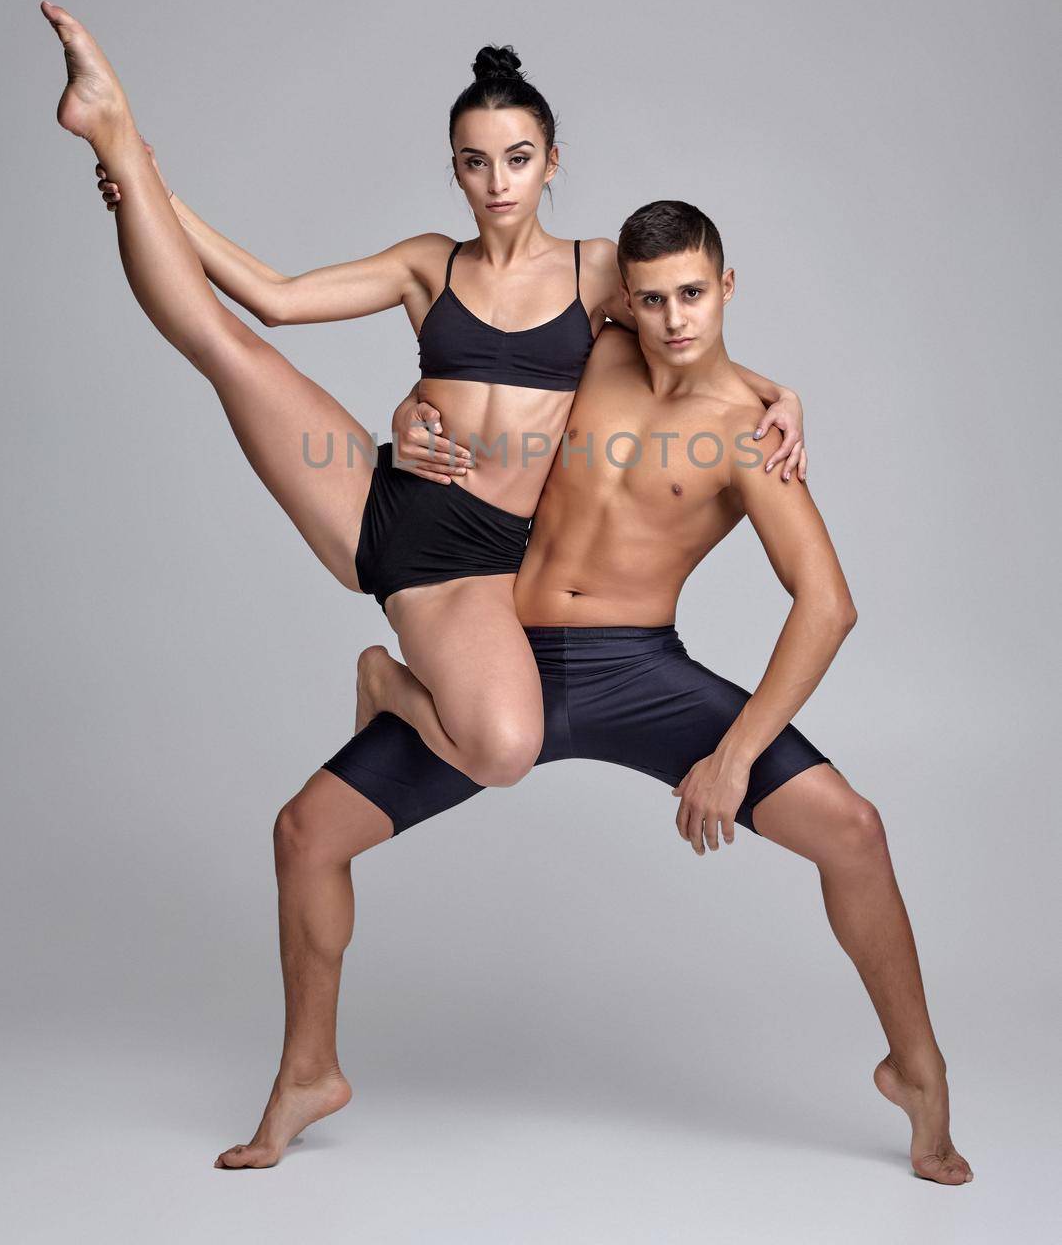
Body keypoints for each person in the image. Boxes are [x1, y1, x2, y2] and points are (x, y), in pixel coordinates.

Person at [213, 201, 972, 1186]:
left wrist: (731, 756)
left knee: (854, 831)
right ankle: (308, 1071)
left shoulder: (746, 434)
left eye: (692, 294)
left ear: (726, 288)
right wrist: (408, 413)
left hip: (636, 674)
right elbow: (480, 357)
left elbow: (825, 606)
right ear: (624, 298)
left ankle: (917, 1074)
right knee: (304, 834)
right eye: (650, 298)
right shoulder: (593, 347)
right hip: (498, 652)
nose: (671, 319)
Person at [43, 0, 806, 790]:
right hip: (376, 497)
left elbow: (677, 343)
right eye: (475, 162)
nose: (497, 182)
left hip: (470, 561)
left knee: (504, 752)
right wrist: (152, 191)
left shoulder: (597, 270)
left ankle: (383, 683)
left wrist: (774, 391)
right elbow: (274, 295)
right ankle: (113, 131)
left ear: (550, 161)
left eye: (516, 159)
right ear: (454, 169)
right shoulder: (428, 262)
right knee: (224, 345)